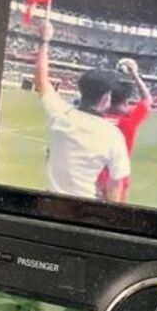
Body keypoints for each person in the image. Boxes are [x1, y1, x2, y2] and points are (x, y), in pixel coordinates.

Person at [34, 21, 130, 203]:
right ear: (105, 98)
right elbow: (116, 184)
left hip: (49, 203)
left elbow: (41, 80)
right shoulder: (113, 135)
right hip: (84, 208)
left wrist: (45, 41)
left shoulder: (60, 115)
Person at [95, 58, 152, 200]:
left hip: (93, 174)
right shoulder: (129, 121)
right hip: (117, 178)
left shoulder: (95, 118)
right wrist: (135, 75)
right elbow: (147, 99)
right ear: (126, 102)